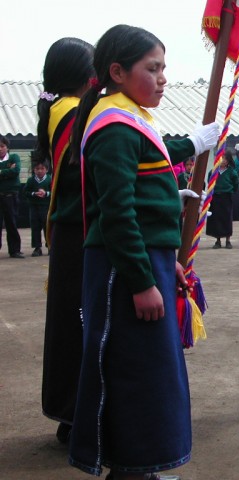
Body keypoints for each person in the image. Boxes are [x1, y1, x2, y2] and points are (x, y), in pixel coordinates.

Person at [68, 24, 221, 479]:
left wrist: (164, 260)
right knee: (133, 372)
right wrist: (140, 281)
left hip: (145, 260)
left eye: (164, 69)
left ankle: (145, 467)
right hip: (123, 271)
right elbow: (117, 213)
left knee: (154, 372)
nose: (162, 78)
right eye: (152, 68)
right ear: (117, 72)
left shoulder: (133, 117)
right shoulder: (114, 124)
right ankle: (132, 469)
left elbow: (141, 198)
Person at [33, 37, 95, 444]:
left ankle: (71, 417)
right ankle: (78, 417)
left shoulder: (61, 110)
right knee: (81, 327)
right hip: (83, 232)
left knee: (72, 326)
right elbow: (96, 171)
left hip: (73, 232)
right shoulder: (74, 113)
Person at [207, 148, 239, 249]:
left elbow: (235, 185)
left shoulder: (232, 172)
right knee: (216, 219)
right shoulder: (212, 172)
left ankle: (228, 240)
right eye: (221, 158)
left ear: (229, 160)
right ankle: (218, 240)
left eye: (225, 158)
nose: (223, 160)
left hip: (226, 197)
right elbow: (209, 184)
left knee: (227, 218)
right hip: (215, 197)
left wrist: (230, 191)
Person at [0, 135, 24, 258]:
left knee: (12, 223)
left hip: (11, 196)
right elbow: (11, 172)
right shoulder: (10, 162)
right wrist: (7, 172)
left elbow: (16, 171)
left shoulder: (14, 157)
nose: (0, 149)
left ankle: (14, 250)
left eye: (2, 146)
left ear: (7, 147)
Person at [23, 159, 51, 256]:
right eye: (37, 169)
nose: (39, 171)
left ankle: (50, 246)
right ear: (34, 170)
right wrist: (34, 193)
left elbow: (54, 193)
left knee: (47, 226)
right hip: (34, 207)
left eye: (42, 168)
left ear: (46, 170)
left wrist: (46, 193)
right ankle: (37, 247)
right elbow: (25, 192)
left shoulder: (50, 179)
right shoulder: (31, 180)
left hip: (46, 207)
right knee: (35, 227)